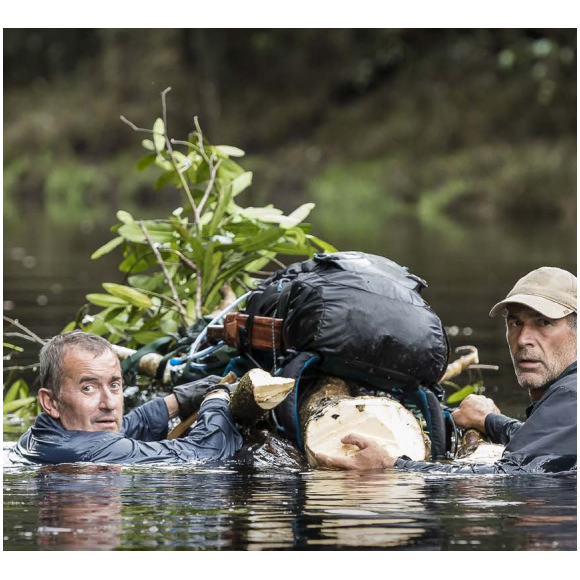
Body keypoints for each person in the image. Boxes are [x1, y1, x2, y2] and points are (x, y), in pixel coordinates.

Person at [316, 267, 577, 474]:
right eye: (516, 323)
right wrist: (487, 420)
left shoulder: (570, 396)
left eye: (544, 323)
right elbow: (543, 448)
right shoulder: (567, 399)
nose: (523, 340)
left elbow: (512, 476)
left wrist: (390, 467)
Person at [13, 330, 243, 464]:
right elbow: (205, 453)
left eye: (114, 385)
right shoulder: (88, 453)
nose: (109, 403)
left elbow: (123, 429)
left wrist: (179, 400)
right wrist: (218, 400)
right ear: (50, 403)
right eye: (88, 389)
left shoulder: (37, 436)